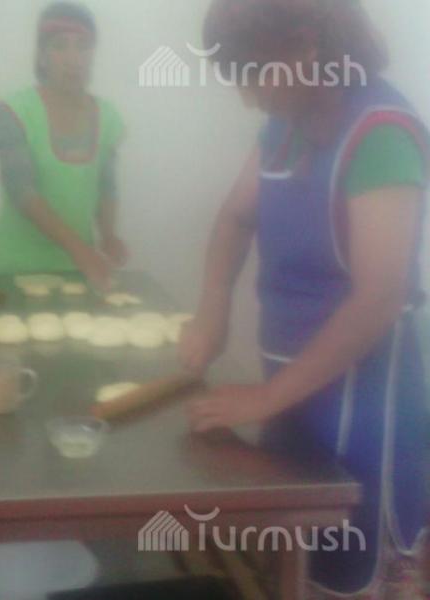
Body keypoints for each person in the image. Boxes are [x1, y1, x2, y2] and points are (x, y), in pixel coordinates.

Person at [181, 0, 429, 597]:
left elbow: (378, 297)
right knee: (298, 564)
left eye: (253, 73)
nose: (248, 97)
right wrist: (212, 309)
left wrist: (265, 398)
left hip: (364, 414)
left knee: (354, 570)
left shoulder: (381, 134)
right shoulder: (285, 125)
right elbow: (236, 218)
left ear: (305, 47)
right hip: (293, 401)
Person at [0, 1, 127, 290]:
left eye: (83, 46)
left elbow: (107, 187)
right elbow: (22, 191)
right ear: (42, 55)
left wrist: (108, 236)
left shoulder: (107, 117)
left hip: (79, 275)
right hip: (17, 274)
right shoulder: (13, 112)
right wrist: (80, 250)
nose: (73, 59)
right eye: (59, 46)